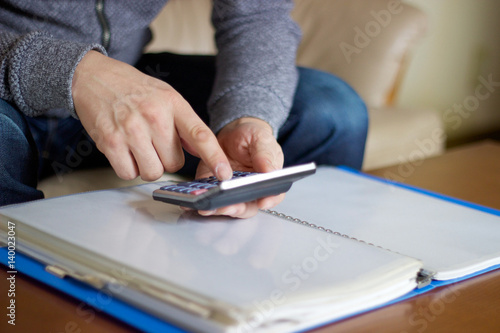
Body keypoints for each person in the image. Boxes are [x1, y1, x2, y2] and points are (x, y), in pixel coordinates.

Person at [0, 0, 368, 217]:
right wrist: (76, 73)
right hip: (10, 86)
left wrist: (247, 114)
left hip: (128, 72)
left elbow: (257, 14)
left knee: (332, 113)